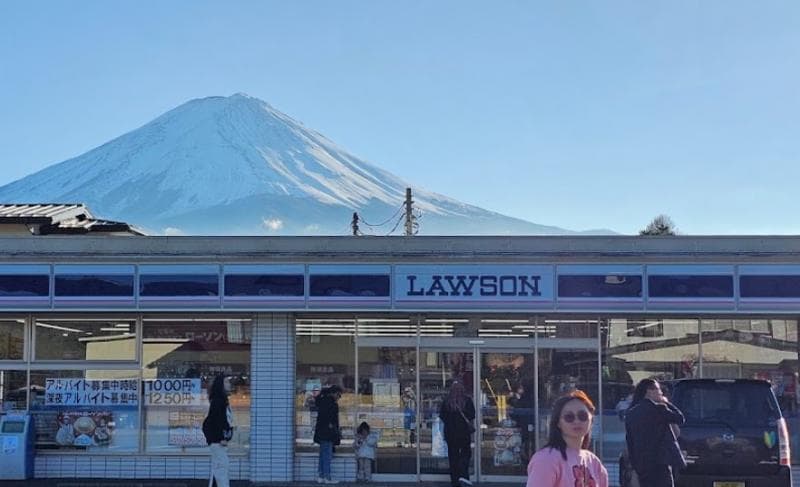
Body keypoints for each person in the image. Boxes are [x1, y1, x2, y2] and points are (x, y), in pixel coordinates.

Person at [526, 390, 608, 487]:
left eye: (582, 416)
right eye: (569, 417)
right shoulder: (546, 459)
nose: (577, 421)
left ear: (591, 420)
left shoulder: (595, 463)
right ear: (558, 423)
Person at [625, 378, 685, 487]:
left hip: (642, 464)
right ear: (649, 391)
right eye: (658, 389)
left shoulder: (631, 413)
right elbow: (680, 418)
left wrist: (634, 467)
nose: (661, 393)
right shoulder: (658, 409)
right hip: (660, 462)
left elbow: (630, 442)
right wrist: (666, 403)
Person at [438, 381, 476, 487]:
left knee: (453, 457)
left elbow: (442, 416)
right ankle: (463, 475)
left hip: (451, 433)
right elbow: (472, 415)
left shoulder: (447, 401)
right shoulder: (467, 400)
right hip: (464, 433)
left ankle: (455, 481)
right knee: (466, 453)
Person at [202, 375, 234, 487]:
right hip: (218, 442)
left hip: (219, 442)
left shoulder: (222, 401)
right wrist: (220, 438)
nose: (229, 384)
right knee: (222, 469)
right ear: (221, 385)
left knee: (219, 469)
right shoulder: (218, 401)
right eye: (226, 382)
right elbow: (213, 422)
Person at [314, 385, 342, 484]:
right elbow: (333, 420)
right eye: (339, 395)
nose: (339, 397)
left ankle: (321, 476)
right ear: (333, 393)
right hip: (328, 433)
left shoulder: (322, 401)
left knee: (322, 454)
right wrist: (334, 429)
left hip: (321, 432)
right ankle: (327, 477)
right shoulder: (331, 404)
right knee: (327, 455)